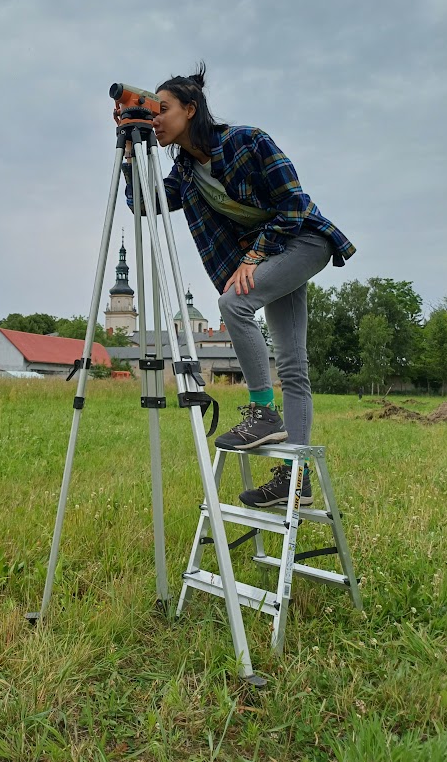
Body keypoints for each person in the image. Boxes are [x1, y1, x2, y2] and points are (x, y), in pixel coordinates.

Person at [123, 63, 355, 508]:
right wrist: (131, 151)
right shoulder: (186, 173)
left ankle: (263, 413)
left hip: (304, 240)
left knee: (233, 303)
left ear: (191, 109)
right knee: (293, 366)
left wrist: (253, 256)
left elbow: (295, 204)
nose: (156, 118)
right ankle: (296, 480)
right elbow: (145, 204)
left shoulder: (247, 140)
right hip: (272, 255)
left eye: (163, 109)